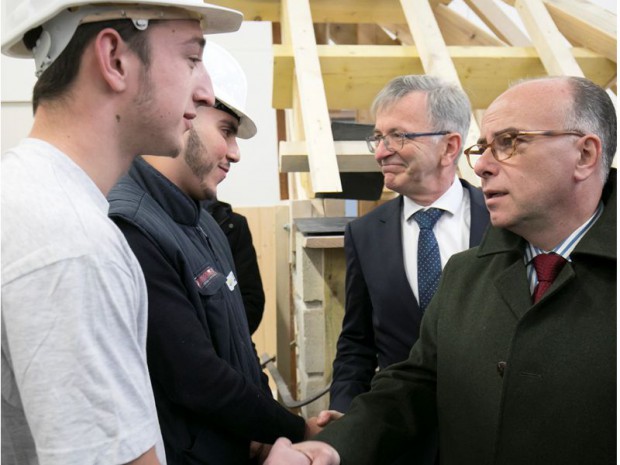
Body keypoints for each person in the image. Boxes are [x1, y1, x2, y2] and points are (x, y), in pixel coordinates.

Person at [264, 75, 617, 465]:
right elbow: (416, 381)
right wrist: (334, 444)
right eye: (483, 147)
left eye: (509, 142)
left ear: (584, 154)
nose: (481, 164)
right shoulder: (465, 273)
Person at [1, 2, 243, 464]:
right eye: (192, 59)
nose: (208, 93)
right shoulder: (72, 244)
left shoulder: (32, 199)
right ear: (114, 59)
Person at [108, 42, 320, 465]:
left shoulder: (205, 222)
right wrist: (297, 429)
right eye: (226, 131)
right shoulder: (131, 227)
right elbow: (196, 377)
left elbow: (239, 350)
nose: (236, 153)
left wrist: (265, 433)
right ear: (183, 110)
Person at [329, 74, 489, 463]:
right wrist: (346, 418)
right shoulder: (365, 234)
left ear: (449, 146)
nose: (381, 151)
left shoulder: (505, 224)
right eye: (378, 138)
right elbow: (357, 343)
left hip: (486, 437)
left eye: (398, 136)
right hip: (399, 444)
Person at [203, 198, 266, 334]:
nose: (225, 175)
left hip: (233, 340)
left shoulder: (233, 225)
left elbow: (252, 298)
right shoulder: (165, 222)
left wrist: (233, 342)